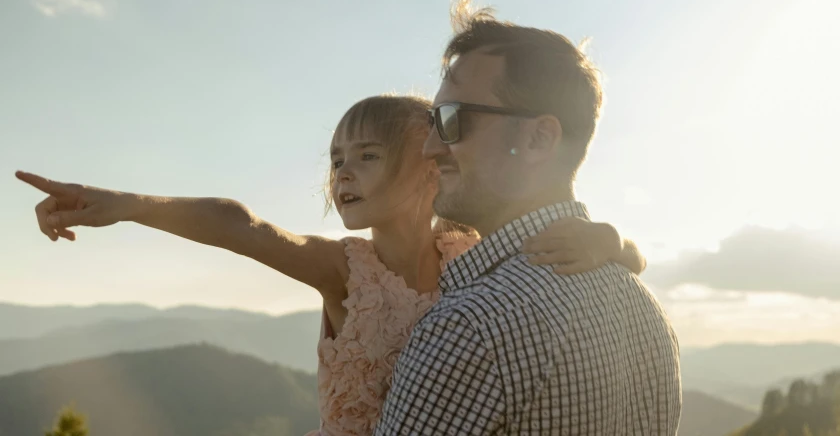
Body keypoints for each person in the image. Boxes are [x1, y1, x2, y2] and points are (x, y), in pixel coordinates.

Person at [16, 96, 645, 436]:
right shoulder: (347, 273)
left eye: (367, 155)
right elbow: (241, 224)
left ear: (432, 164)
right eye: (337, 158)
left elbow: (627, 257)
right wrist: (122, 205)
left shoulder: (476, 252)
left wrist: (610, 239)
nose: (342, 172)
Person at [373, 0, 681, 435]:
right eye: (432, 122)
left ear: (538, 139)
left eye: (452, 119)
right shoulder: (645, 312)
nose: (430, 148)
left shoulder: (470, 326)